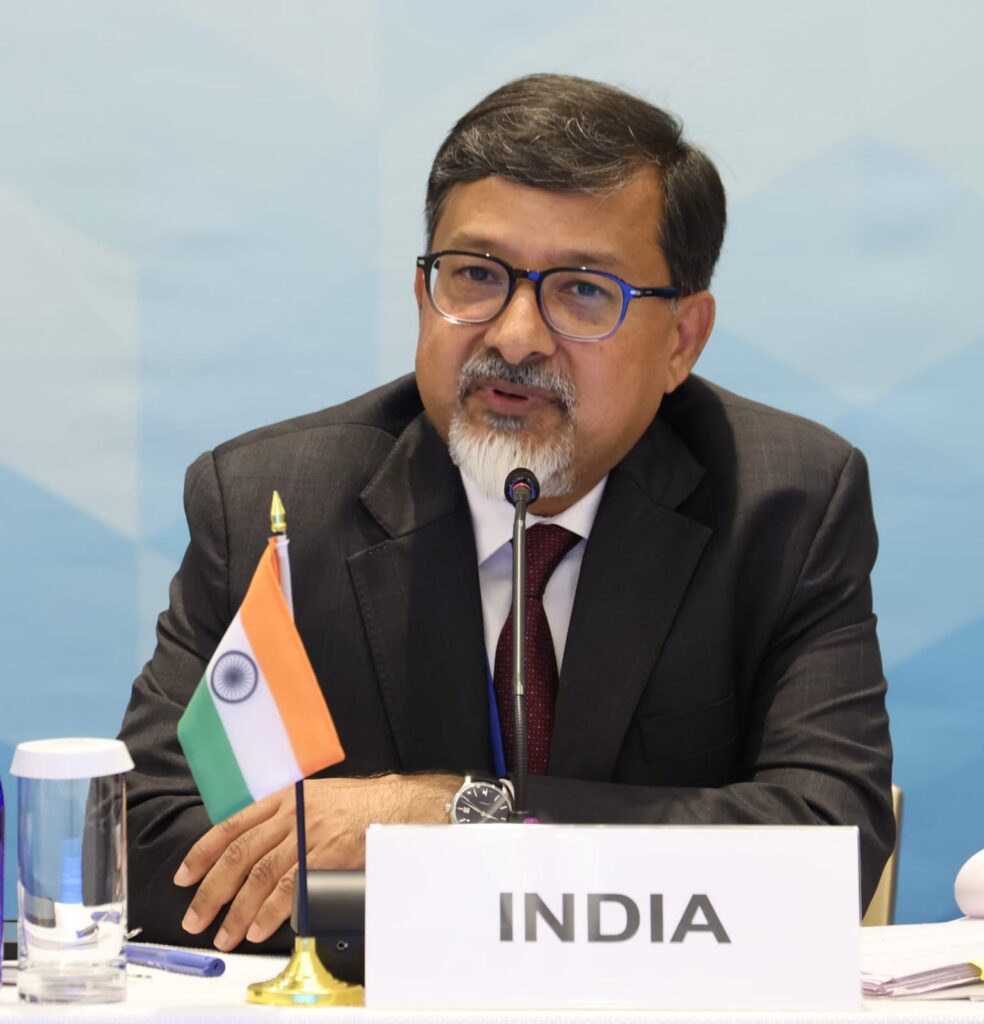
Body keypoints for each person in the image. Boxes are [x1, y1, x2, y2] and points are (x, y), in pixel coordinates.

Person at [118, 73, 894, 953]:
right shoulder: (275, 501)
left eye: (583, 291)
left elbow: (827, 843)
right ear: (424, 295)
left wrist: (453, 816)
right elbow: (150, 844)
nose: (515, 336)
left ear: (681, 340)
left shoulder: (785, 504)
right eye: (476, 276)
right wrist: (478, 915)